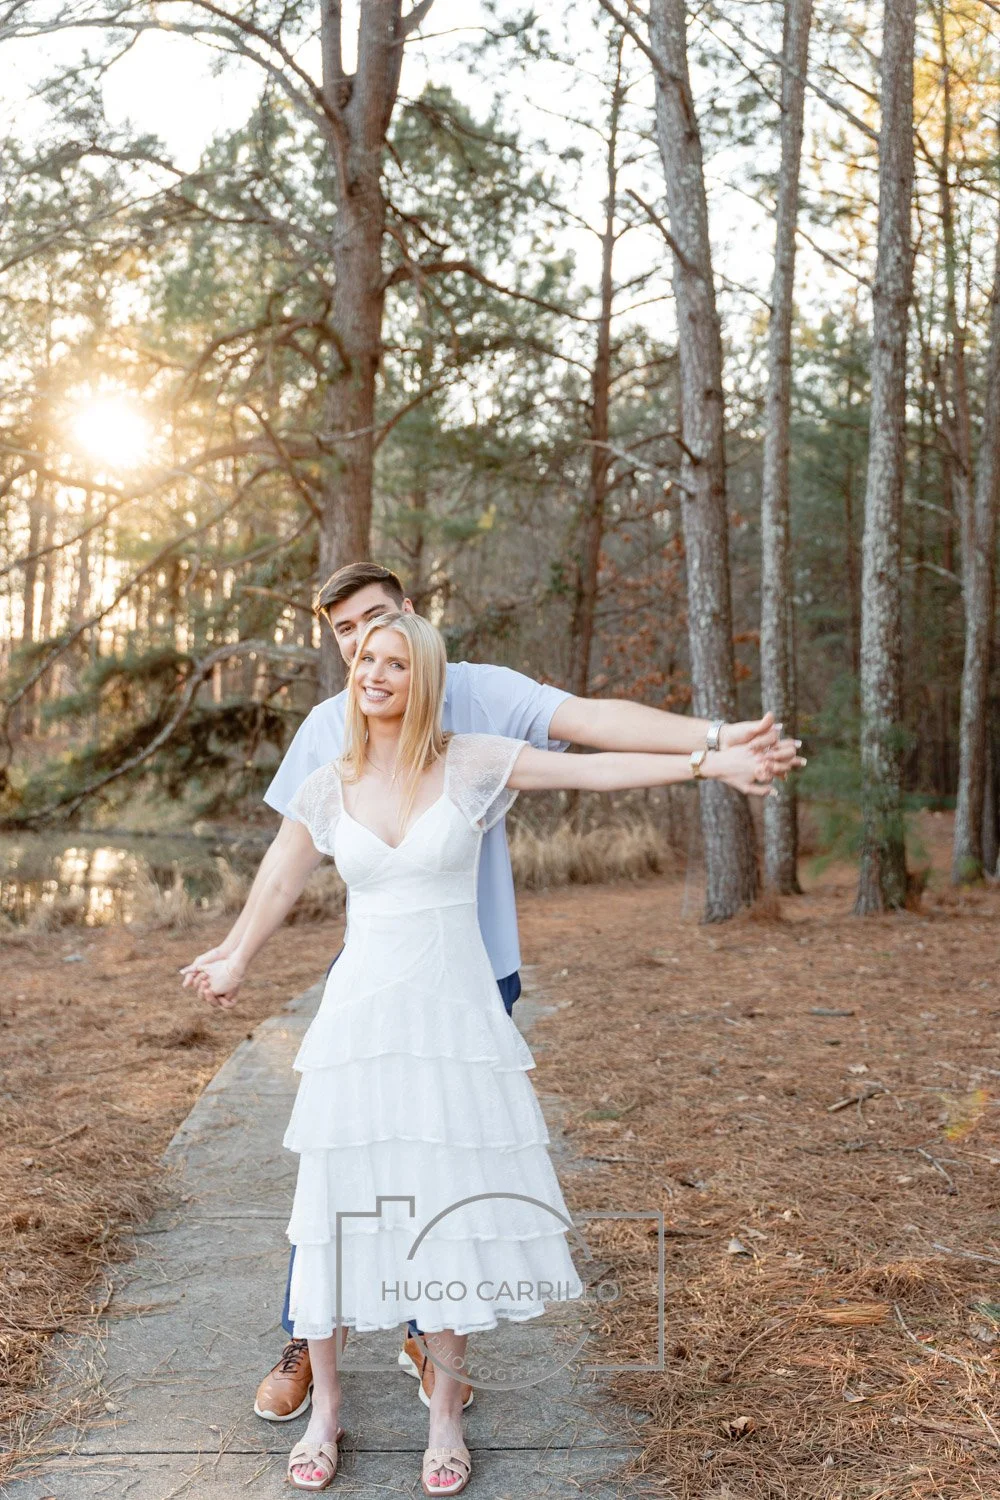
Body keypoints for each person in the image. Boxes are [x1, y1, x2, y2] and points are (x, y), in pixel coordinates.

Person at [180, 563, 799, 1443]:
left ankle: (431, 1344)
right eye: (346, 635)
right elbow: (288, 860)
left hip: (472, 980)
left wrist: (712, 745)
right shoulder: (331, 730)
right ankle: (310, 1343)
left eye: (379, 625)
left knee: (443, 1170)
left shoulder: (479, 705)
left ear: (412, 619)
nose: (365, 650)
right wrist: (238, 951)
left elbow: (593, 739)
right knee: (346, 1166)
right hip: (371, 994)